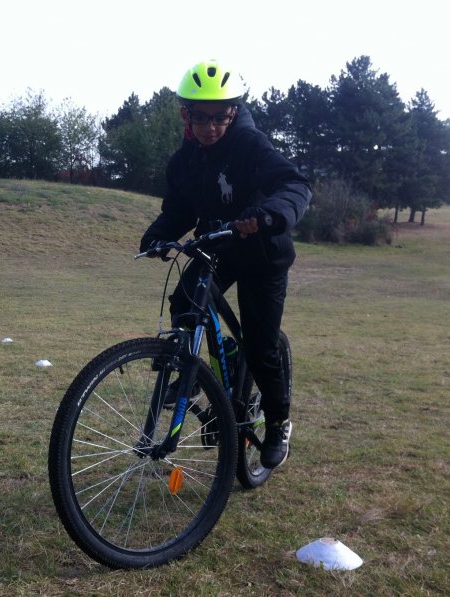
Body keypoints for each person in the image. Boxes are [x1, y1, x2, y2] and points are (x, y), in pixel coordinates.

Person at [140, 59, 312, 469]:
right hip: (217, 246)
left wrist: (269, 214)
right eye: (200, 116)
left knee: (262, 344)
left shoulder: (250, 146)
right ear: (186, 114)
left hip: (262, 254)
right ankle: (205, 366)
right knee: (185, 298)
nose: (210, 126)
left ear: (234, 112)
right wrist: (157, 235)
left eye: (221, 116)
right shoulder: (184, 161)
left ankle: (278, 423)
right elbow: (179, 210)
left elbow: (295, 185)